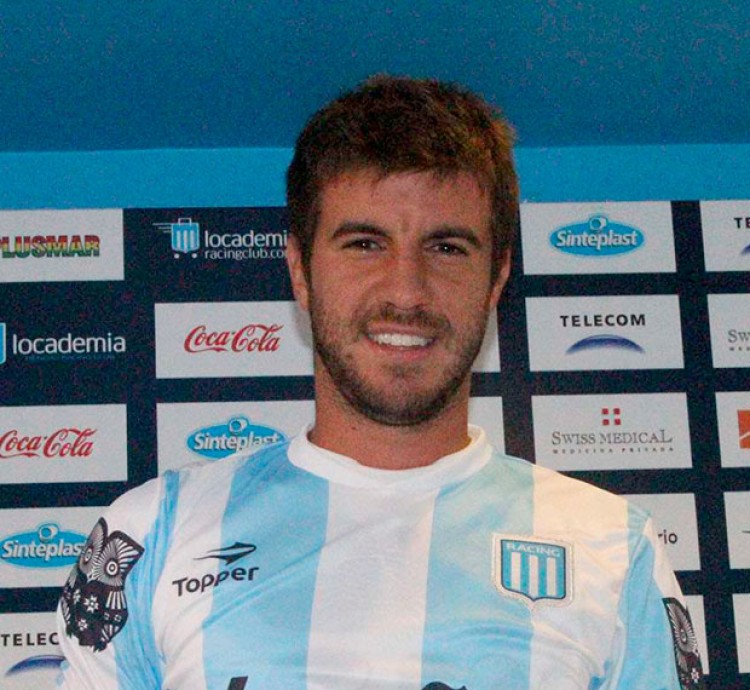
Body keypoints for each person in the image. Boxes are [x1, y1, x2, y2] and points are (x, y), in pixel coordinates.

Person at [55, 75, 704, 690]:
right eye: (365, 244)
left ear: (497, 279)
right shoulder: (151, 536)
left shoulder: (614, 551)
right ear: (300, 270)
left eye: (447, 247)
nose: (406, 291)